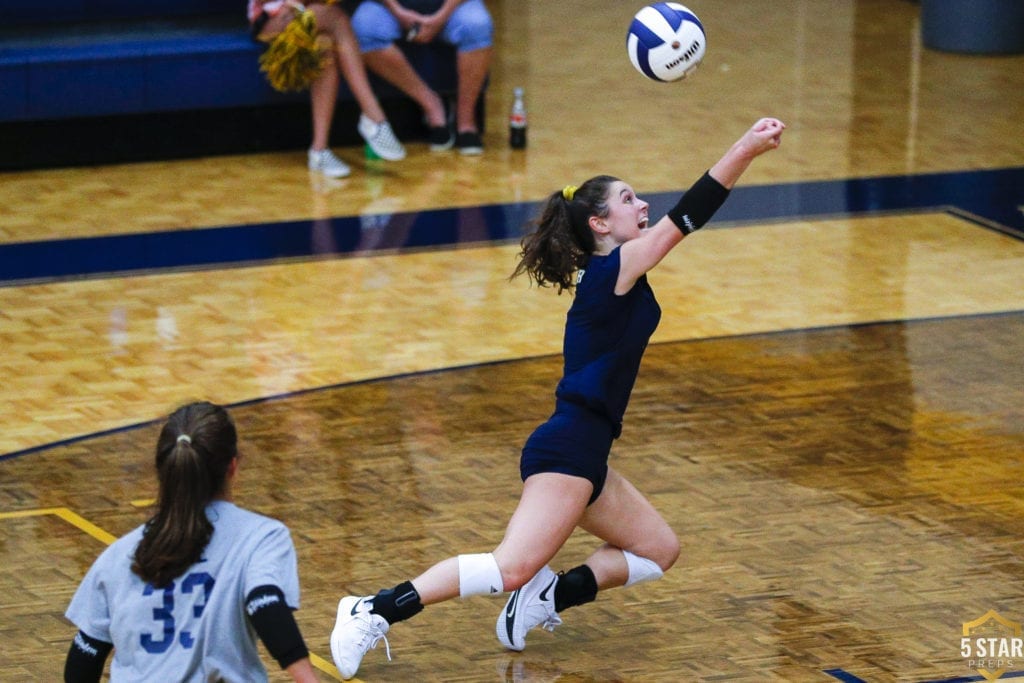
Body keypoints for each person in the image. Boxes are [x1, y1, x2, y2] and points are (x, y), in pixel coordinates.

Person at [327, 116, 786, 680]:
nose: (642, 205)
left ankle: (548, 599)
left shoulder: (622, 274)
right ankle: (372, 609)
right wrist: (746, 148)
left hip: (590, 454)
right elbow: (687, 216)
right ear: (600, 223)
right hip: (567, 449)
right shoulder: (612, 269)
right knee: (509, 565)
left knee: (657, 551)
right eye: (627, 198)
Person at [63, 401, 318, 683]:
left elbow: (85, 657)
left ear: (163, 469)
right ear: (233, 466)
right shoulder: (261, 537)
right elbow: (265, 605)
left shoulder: (119, 555)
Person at [249, 0, 407, 178]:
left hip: (306, 13)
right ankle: (373, 115)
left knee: (325, 44)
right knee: (337, 18)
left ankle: (319, 150)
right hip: (270, 19)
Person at [349, 0, 493, 155]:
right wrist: (397, 11)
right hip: (393, 9)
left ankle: (466, 123)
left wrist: (441, 17)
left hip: (453, 7)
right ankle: (432, 106)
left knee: (478, 24)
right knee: (364, 28)